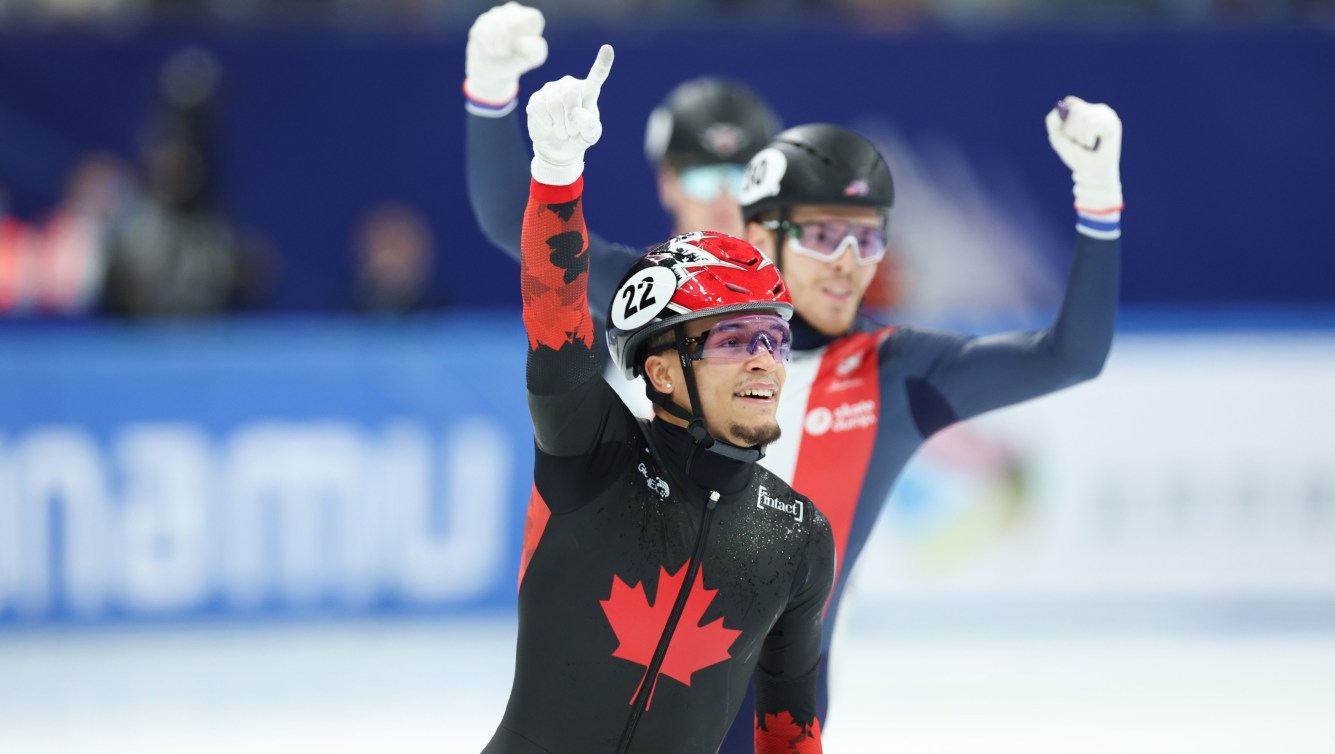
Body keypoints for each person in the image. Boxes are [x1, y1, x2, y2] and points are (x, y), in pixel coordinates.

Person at [463, 4, 1122, 748]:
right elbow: (522, 249)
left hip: (769, 690)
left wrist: (1099, 198)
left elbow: (1071, 356)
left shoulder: (892, 372)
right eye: (819, 235)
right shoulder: (667, 300)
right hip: (613, 671)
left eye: (867, 238)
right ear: (757, 230)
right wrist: (497, 99)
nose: (846, 259)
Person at [482, 46, 833, 754]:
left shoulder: (798, 536)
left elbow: (790, 734)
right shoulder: (594, 455)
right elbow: (556, 329)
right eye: (735, 340)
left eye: (773, 338)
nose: (764, 358)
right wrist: (555, 173)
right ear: (664, 373)